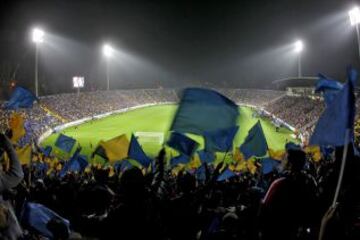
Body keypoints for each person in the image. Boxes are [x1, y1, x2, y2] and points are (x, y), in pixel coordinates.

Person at [259, 148, 318, 240]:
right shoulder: (310, 182)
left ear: (289, 164)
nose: (282, 161)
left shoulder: (278, 184)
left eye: (284, 158)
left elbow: (264, 210)